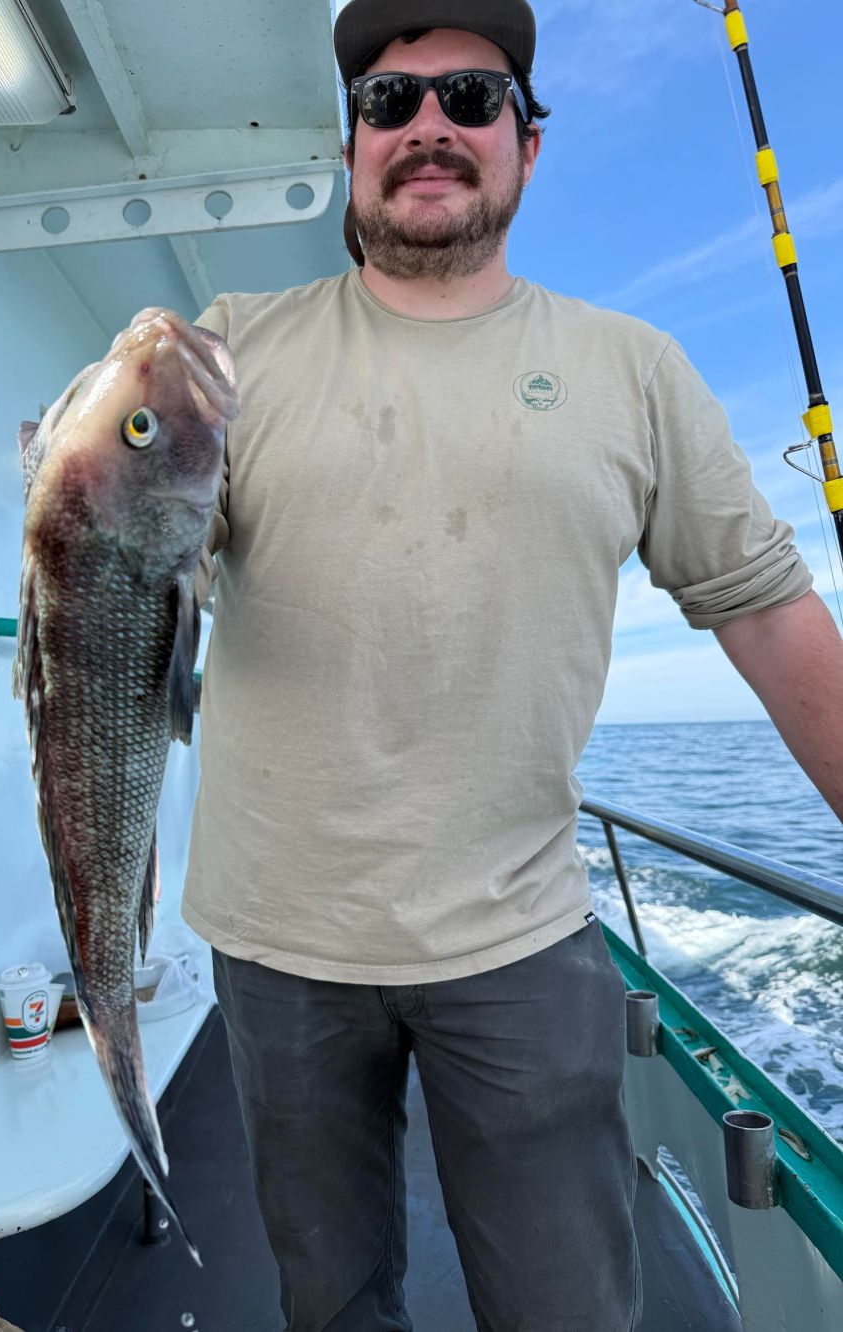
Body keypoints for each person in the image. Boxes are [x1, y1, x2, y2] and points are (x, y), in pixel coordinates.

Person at [121, 2, 843, 1328]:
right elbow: (131, 543)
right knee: (332, 1300)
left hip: (520, 933)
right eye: (389, 106)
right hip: (279, 946)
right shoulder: (229, 348)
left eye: (470, 97)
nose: (430, 128)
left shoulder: (635, 370)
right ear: (352, 150)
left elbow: (771, 613)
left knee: (566, 1303)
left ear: (528, 141)